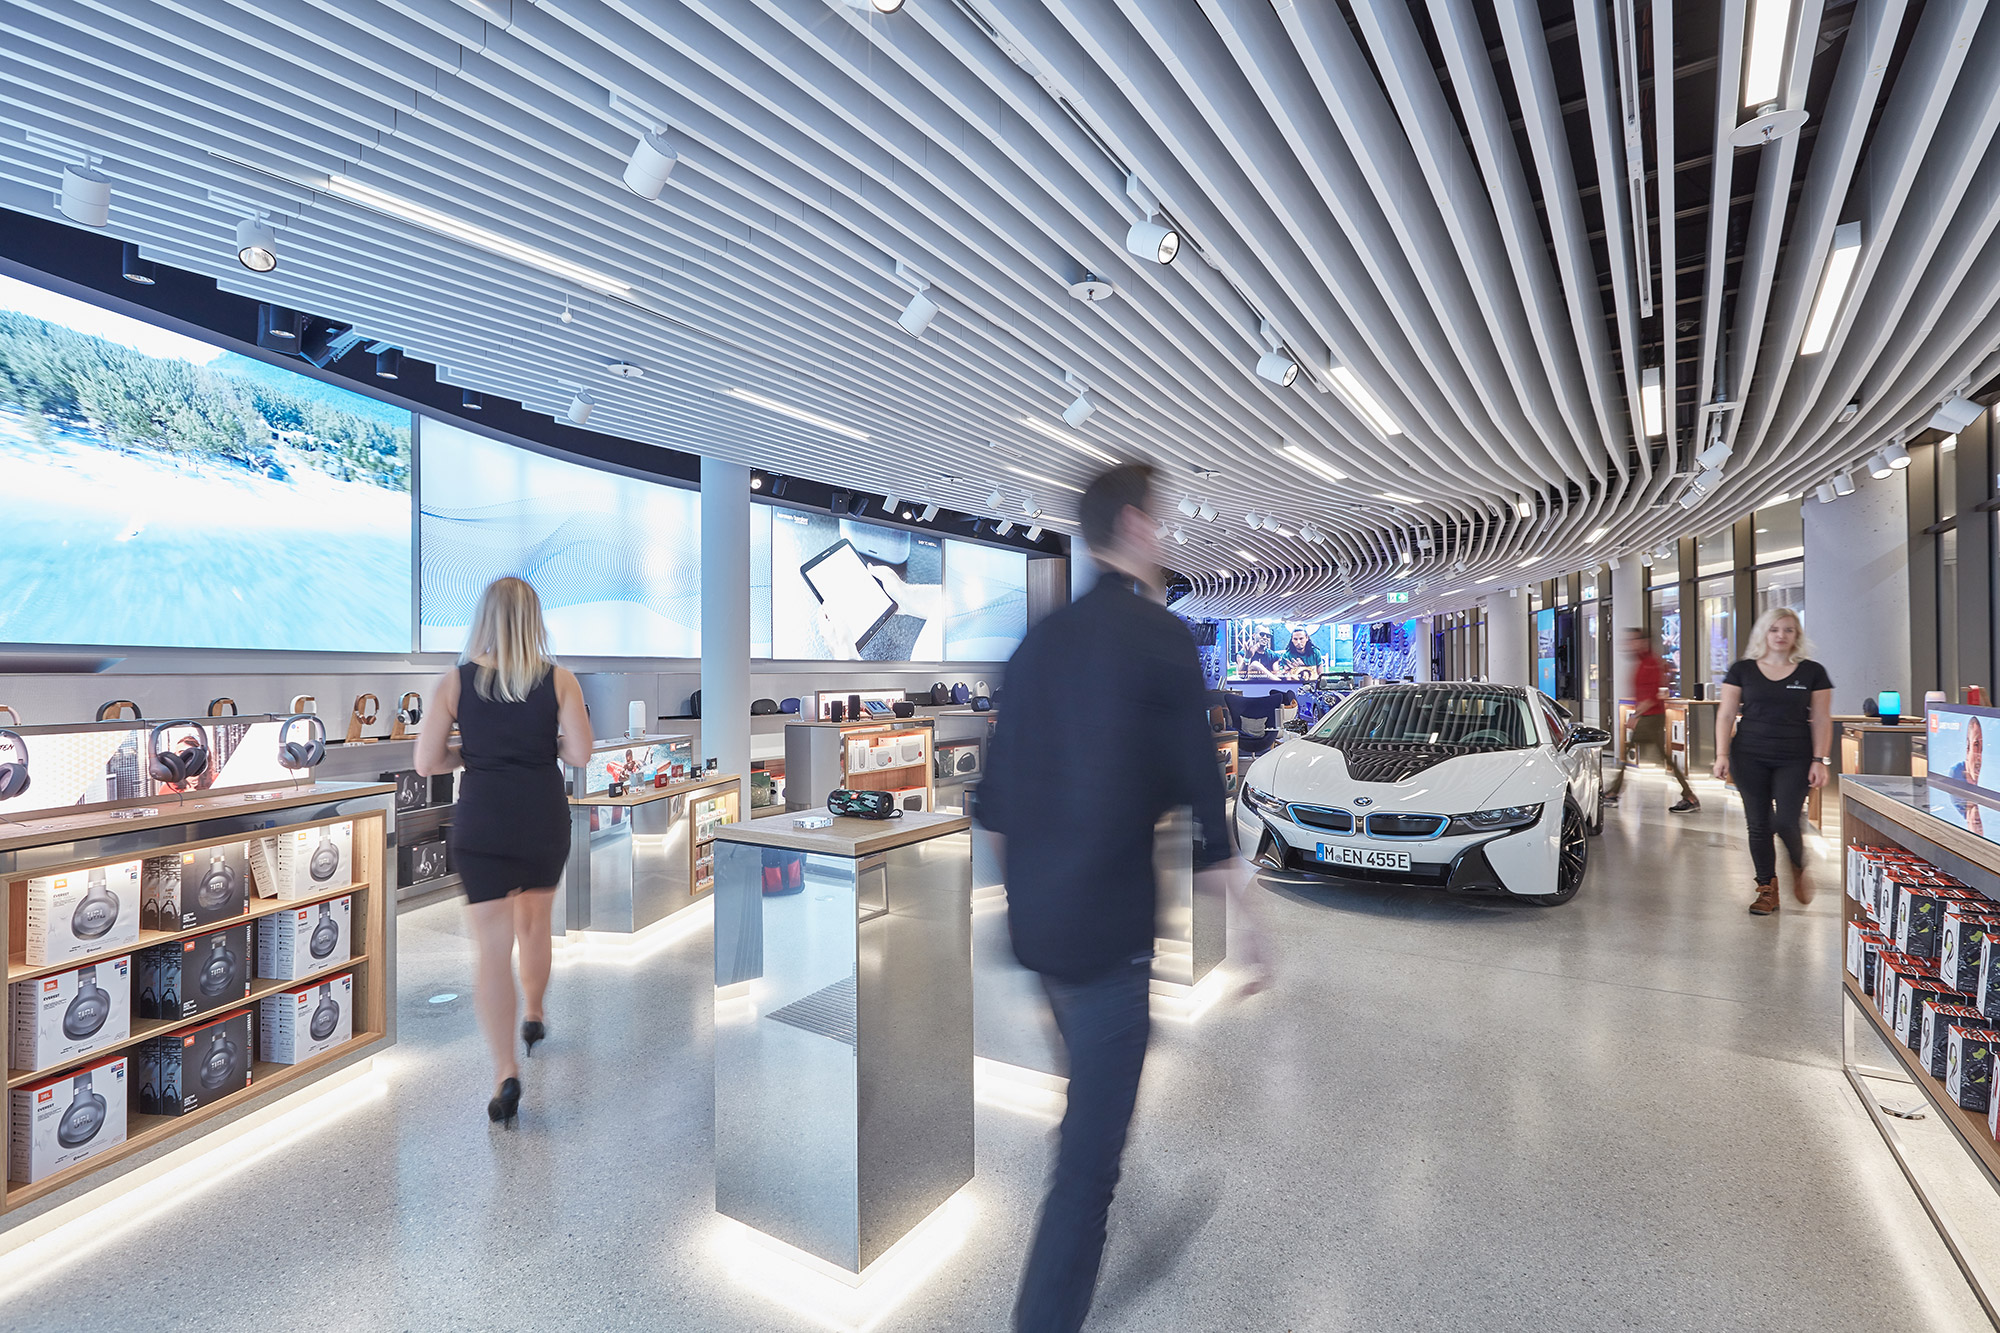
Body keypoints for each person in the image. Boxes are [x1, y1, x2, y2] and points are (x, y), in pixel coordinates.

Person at [978, 463, 1240, 1333]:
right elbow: (1206, 803)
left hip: (1040, 934)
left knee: (1092, 1096)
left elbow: (997, 810)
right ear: (1132, 525)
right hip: (1109, 941)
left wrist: (1023, 900)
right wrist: (1255, 926)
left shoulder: (1035, 645)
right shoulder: (1160, 638)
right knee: (1087, 1166)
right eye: (1159, 523)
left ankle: (1101, 1142)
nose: (1165, 539)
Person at [415, 577, 592, 1125]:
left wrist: (473, 755)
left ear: (483, 619)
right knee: (535, 925)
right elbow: (581, 753)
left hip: (483, 821)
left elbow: (426, 763)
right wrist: (541, 746)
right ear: (534, 620)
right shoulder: (559, 680)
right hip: (541, 817)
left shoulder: (454, 682)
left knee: (491, 950)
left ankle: (504, 1072)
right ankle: (534, 1014)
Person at [1712, 607, 1833, 915]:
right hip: (1748, 756)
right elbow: (1726, 714)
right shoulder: (1742, 670)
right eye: (1775, 629)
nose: (1781, 635)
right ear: (1764, 633)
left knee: (1786, 820)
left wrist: (1820, 759)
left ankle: (1797, 864)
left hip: (1795, 756)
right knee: (1759, 824)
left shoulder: (1812, 672)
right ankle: (1767, 888)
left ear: (1797, 635)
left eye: (1789, 630)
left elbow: (1821, 718)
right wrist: (1721, 755)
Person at [1601, 627, 1701, 812]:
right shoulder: (1643, 662)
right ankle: (1688, 794)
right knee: (1655, 756)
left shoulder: (1651, 663)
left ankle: (1614, 793)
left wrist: (1636, 716)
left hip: (1651, 717)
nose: (1629, 644)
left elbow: (1652, 696)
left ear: (1644, 642)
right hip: (1648, 716)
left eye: (1633, 640)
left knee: (1644, 755)